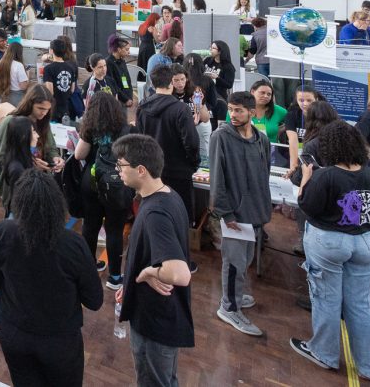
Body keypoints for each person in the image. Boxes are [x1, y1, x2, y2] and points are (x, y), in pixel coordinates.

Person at [0, 171, 103, 387]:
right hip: (59, 342)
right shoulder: (73, 244)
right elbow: (94, 300)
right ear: (57, 204)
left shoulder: (3, 231)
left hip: (14, 335)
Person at [290, 121, 370, 382]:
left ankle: (324, 352)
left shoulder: (326, 175)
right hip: (365, 243)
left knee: (326, 299)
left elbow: (307, 206)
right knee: (360, 305)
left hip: (330, 243)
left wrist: (306, 181)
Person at [113, 134, 194, 387]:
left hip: (154, 321)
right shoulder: (168, 195)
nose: (118, 171)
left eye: (121, 165)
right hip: (163, 315)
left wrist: (148, 273)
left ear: (141, 170)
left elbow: (180, 274)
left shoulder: (155, 213)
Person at [209, 91, 272, 337]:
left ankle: (234, 294)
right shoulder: (220, 137)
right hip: (233, 215)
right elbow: (217, 179)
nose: (233, 115)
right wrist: (226, 214)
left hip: (255, 212)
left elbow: (263, 174)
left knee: (245, 260)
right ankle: (229, 306)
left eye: (239, 110)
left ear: (252, 113)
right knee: (233, 262)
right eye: (231, 110)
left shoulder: (261, 140)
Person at [74, 91, 132, 289]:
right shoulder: (126, 128)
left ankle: (90, 266)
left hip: (91, 182)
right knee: (115, 230)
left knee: (90, 226)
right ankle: (115, 277)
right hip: (117, 183)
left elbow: (78, 155)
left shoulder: (90, 127)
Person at [137, 65, 201, 231]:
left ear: (152, 84)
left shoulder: (142, 107)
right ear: (171, 83)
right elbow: (192, 142)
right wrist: (193, 162)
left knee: (155, 215)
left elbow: (139, 139)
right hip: (179, 171)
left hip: (152, 171)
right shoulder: (180, 109)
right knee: (180, 218)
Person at [43, 36, 81, 124]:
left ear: (52, 51)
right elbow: (72, 89)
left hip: (53, 109)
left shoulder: (48, 69)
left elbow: (50, 92)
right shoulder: (71, 67)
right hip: (66, 107)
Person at [107, 35, 137, 112]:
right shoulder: (109, 63)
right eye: (127, 49)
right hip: (117, 100)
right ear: (119, 49)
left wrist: (130, 97)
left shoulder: (122, 61)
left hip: (126, 98)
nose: (129, 52)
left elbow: (127, 80)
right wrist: (125, 99)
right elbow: (112, 85)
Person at [0, 41, 29, 107]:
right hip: (17, 98)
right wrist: (28, 75)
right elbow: (23, 86)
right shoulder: (19, 65)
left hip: (4, 96)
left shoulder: (1, 63)